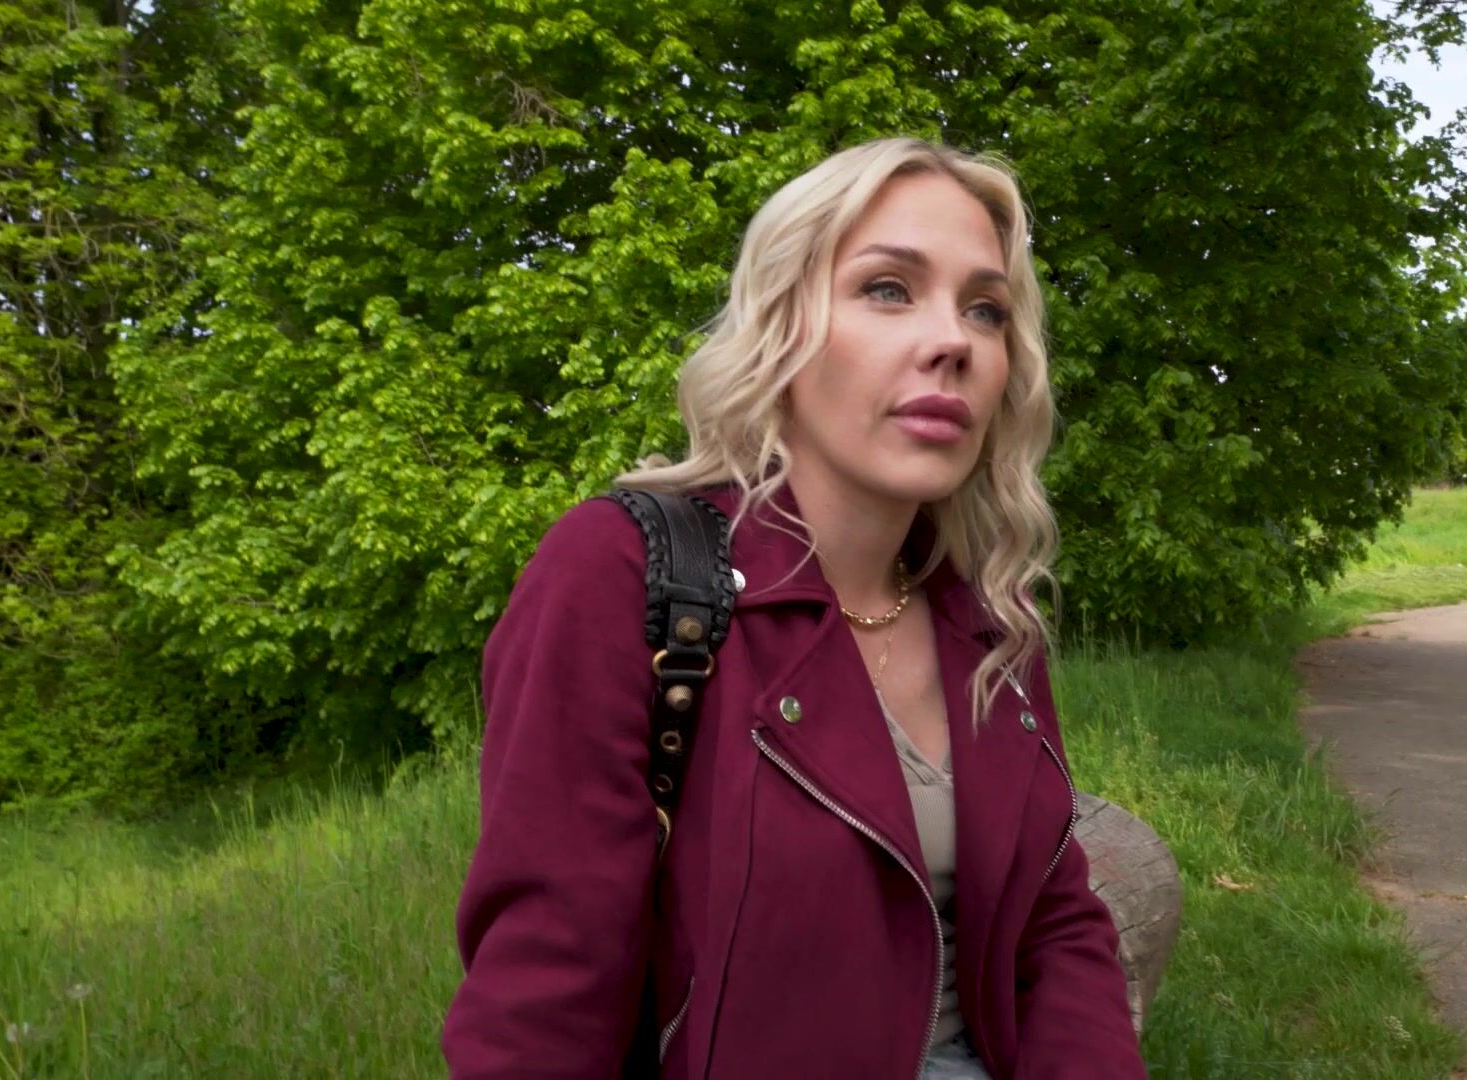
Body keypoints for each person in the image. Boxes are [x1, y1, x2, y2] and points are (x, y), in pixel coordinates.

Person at [441, 135, 1146, 1079]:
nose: (954, 342)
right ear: (782, 324)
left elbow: (1053, 920)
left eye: (986, 309)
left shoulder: (988, 616)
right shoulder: (621, 571)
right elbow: (544, 993)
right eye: (888, 289)